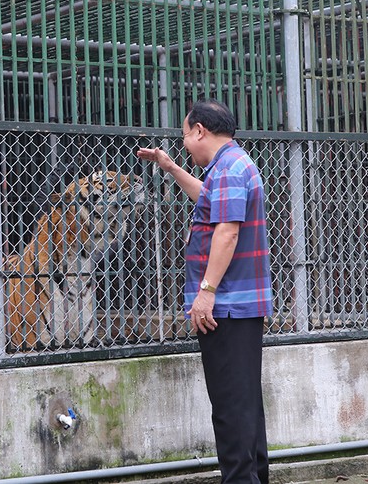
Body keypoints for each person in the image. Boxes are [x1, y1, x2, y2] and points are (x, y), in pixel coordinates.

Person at [137, 99, 273, 484]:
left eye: (184, 135)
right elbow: (207, 199)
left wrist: (207, 291)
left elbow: (227, 232)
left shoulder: (229, 169)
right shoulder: (232, 165)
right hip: (237, 306)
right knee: (244, 405)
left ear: (200, 130)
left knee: (230, 408)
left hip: (226, 306)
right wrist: (170, 167)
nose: (184, 143)